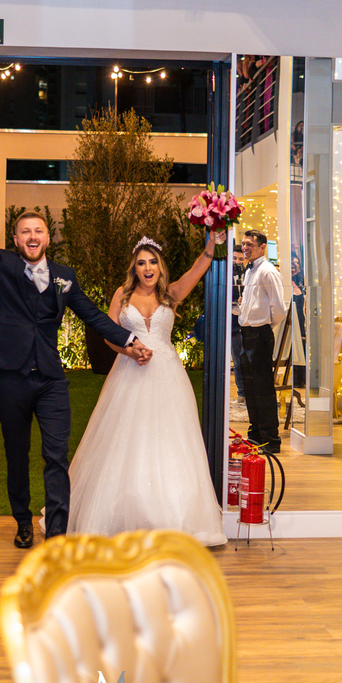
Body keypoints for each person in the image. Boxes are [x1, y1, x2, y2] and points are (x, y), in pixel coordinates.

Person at [0, 177, 151, 548]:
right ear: (16, 240)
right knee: (17, 456)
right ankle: (22, 522)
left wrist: (129, 339)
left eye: (38, 231)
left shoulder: (65, 276)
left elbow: (92, 315)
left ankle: (58, 533)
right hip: (11, 379)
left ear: (47, 238)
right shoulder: (3, 265)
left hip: (51, 379)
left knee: (56, 457)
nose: (32, 236)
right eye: (25, 232)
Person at [67, 233, 227, 547]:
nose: (148, 268)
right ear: (135, 268)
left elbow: (197, 270)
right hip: (129, 372)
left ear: (160, 266)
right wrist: (129, 351)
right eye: (141, 263)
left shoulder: (171, 294)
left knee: (171, 440)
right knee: (126, 438)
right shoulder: (122, 294)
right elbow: (108, 333)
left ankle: (173, 516)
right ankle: (122, 514)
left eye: (152, 262)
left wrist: (211, 245)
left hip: (168, 376)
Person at [238, 229, 286, 453]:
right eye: (243, 244)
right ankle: (255, 434)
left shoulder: (268, 271)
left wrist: (265, 325)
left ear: (262, 247)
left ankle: (270, 440)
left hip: (259, 335)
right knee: (250, 388)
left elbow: (280, 309)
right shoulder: (249, 270)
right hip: (246, 334)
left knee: (263, 389)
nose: (245, 247)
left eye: (249, 244)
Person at [230, 244, 246, 405]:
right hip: (233, 325)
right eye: (234, 258)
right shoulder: (226, 276)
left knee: (247, 360)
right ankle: (241, 393)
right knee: (238, 360)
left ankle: (248, 394)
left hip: (247, 322)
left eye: (240, 259)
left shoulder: (248, 274)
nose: (237, 262)